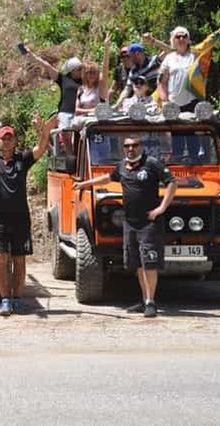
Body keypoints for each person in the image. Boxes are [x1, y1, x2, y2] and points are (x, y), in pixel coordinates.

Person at [0, 110, 57, 316]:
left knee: (19, 260)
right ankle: (5, 299)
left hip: (20, 218)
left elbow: (41, 149)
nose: (6, 141)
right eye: (3, 138)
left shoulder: (22, 159)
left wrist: (45, 132)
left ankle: (17, 299)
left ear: (14, 141)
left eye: (10, 138)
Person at [74, 135, 177, 318]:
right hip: (130, 222)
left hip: (149, 223)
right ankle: (144, 299)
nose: (131, 149)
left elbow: (172, 182)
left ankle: (151, 302)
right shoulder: (122, 165)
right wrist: (84, 184)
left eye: (134, 145)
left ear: (141, 146)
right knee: (137, 263)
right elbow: (107, 178)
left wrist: (161, 208)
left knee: (149, 263)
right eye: (127, 146)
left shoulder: (152, 163)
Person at [157, 18, 220, 112]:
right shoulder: (168, 58)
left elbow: (206, 44)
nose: (181, 38)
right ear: (173, 40)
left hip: (193, 103)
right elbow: (162, 82)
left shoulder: (195, 54)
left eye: (184, 36)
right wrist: (164, 100)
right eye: (178, 37)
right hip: (172, 104)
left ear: (188, 40)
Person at [23, 46, 82, 128]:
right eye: (79, 69)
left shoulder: (86, 80)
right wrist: (33, 57)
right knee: (66, 132)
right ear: (72, 71)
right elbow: (47, 66)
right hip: (65, 113)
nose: (82, 70)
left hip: (80, 113)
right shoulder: (63, 79)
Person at [113, 42, 163, 108]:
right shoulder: (133, 71)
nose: (128, 59)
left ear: (137, 54)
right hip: (142, 104)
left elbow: (170, 50)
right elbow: (127, 89)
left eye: (129, 56)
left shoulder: (154, 61)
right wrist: (117, 104)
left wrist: (153, 41)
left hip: (158, 101)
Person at [74, 33, 112, 115]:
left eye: (94, 72)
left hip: (99, 120)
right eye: (89, 72)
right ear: (85, 74)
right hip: (83, 120)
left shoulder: (101, 87)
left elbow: (105, 69)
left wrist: (106, 49)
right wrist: (93, 110)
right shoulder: (80, 90)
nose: (92, 75)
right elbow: (76, 110)